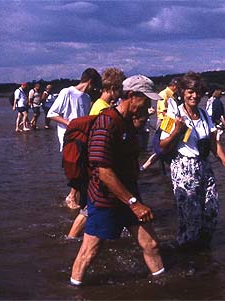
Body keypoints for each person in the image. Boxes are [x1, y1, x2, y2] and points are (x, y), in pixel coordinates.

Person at [70, 74, 165, 286]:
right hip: (105, 198)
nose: (148, 104)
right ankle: (73, 289)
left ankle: (165, 288)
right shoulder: (106, 123)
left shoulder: (128, 123)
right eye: (145, 99)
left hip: (128, 193)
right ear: (131, 96)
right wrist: (134, 203)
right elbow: (103, 170)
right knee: (89, 252)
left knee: (151, 244)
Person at [159, 72, 225, 275]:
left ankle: (203, 254)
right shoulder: (171, 116)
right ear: (183, 92)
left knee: (211, 212)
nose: (194, 96)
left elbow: (213, 143)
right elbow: (162, 146)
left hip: (203, 166)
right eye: (190, 91)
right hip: (183, 167)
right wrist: (176, 130)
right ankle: (186, 259)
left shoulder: (203, 115)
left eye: (198, 92)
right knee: (190, 217)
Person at [67, 67, 126, 239]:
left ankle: (74, 238)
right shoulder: (102, 109)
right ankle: (72, 238)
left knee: (90, 207)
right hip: (97, 168)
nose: (121, 93)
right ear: (113, 89)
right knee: (89, 208)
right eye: (120, 89)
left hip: (94, 165)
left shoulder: (101, 105)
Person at [48, 68, 102, 210]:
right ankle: (71, 197)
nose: (95, 88)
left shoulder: (87, 98)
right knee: (76, 166)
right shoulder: (67, 92)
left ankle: (75, 196)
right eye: (94, 84)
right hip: (70, 137)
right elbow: (52, 114)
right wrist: (71, 124)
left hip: (83, 136)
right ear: (90, 81)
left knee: (84, 167)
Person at [140, 77, 179, 171]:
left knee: (168, 148)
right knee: (162, 148)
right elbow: (163, 112)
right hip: (164, 122)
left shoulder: (173, 95)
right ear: (174, 85)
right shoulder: (164, 94)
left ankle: (147, 167)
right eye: (179, 87)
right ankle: (145, 167)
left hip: (171, 122)